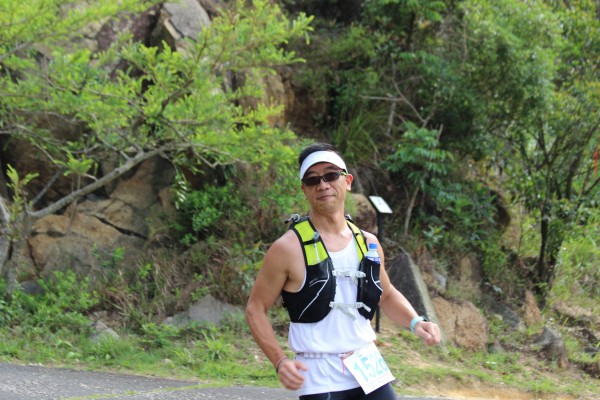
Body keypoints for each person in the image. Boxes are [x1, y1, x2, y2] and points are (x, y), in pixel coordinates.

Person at [245, 143, 441, 400]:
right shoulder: (287, 248)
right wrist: (280, 361)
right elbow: (255, 308)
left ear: (347, 181)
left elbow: (386, 294)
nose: (323, 185)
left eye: (331, 175)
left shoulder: (368, 243)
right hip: (318, 372)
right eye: (312, 180)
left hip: (367, 364)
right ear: (304, 190)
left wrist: (416, 322)